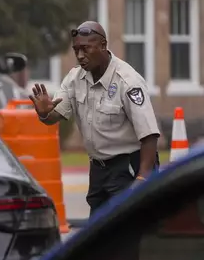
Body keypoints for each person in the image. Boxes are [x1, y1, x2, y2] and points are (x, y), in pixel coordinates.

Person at [29, 21, 160, 216]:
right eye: (76, 50)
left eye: (86, 49)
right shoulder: (75, 78)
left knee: (130, 231)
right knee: (98, 234)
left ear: (103, 45)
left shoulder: (128, 81)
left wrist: (142, 178)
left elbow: (149, 134)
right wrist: (45, 113)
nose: (80, 56)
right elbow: (55, 115)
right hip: (99, 169)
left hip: (128, 167)